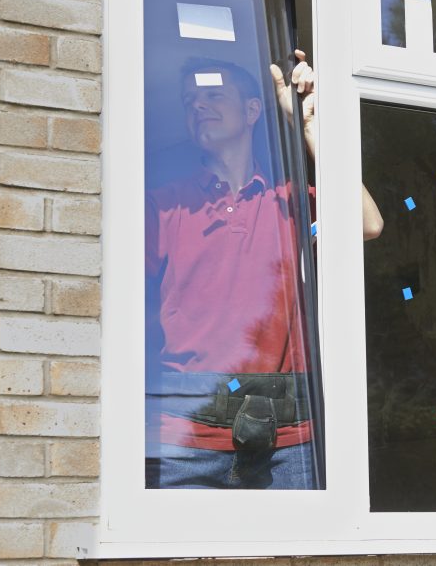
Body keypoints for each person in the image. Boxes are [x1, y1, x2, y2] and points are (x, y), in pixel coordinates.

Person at [145, 51, 383, 489]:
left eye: (214, 94)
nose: (197, 105)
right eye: (188, 100)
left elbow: (368, 223)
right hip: (184, 439)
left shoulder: (290, 200)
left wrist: (310, 127)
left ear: (253, 110)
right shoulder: (165, 205)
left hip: (288, 440)